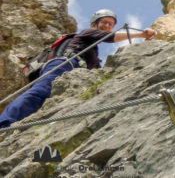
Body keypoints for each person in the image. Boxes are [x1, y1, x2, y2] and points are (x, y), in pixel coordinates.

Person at [0, 9, 156, 129]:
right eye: (104, 22)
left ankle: (16, 126)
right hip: (64, 63)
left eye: (110, 24)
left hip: (74, 70)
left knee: (44, 101)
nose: (107, 26)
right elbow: (110, 37)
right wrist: (141, 34)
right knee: (40, 92)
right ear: (95, 24)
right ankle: (4, 123)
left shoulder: (93, 53)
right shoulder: (88, 33)